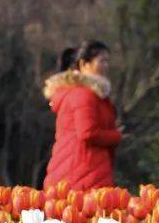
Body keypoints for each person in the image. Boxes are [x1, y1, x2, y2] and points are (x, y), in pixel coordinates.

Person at [42, 40, 122, 190]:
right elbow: (87, 132)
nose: (106, 66)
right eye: (101, 61)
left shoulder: (93, 95)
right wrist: (115, 136)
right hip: (82, 170)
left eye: (107, 61)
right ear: (84, 64)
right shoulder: (83, 94)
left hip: (85, 168)